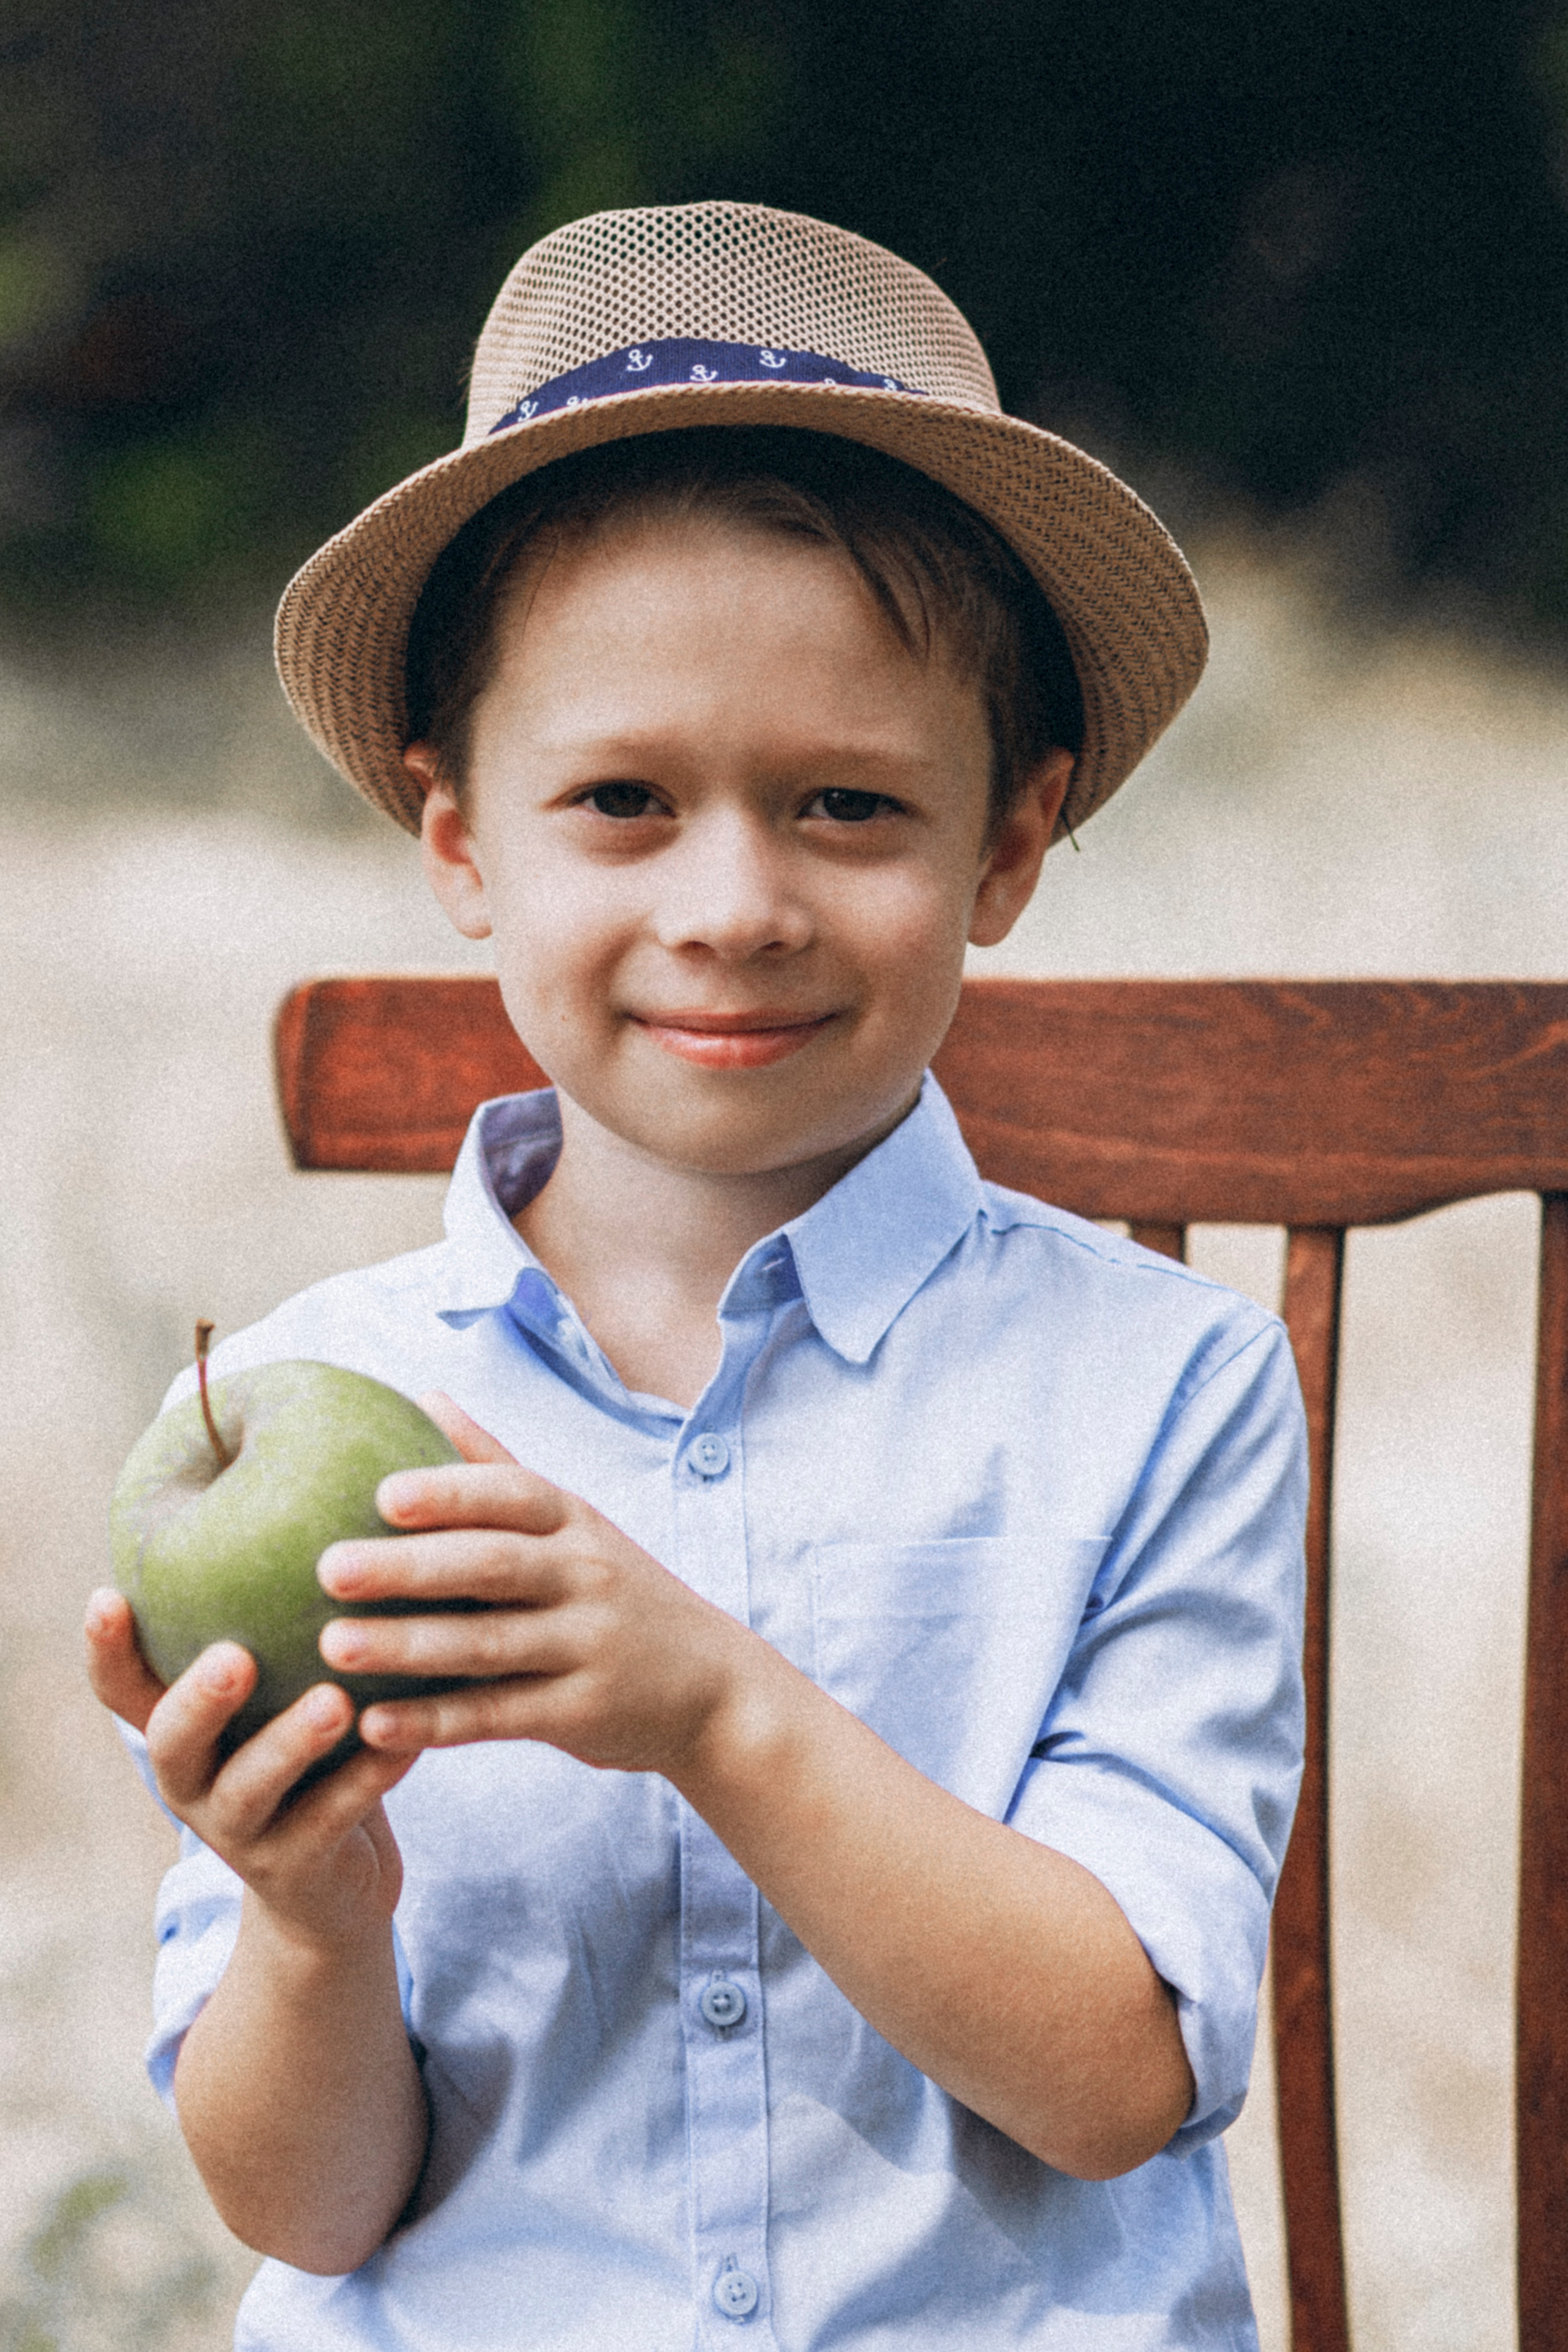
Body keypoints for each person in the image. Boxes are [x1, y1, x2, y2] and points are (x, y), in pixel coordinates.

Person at [86, 200, 1305, 2351]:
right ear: (461, 842)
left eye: (847, 804)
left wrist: (719, 1710)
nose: (734, 903)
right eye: (624, 801)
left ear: (1006, 847)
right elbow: (309, 2204)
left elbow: (1120, 2077)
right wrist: (305, 1911)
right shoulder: (323, 1393)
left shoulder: (1168, 1388)